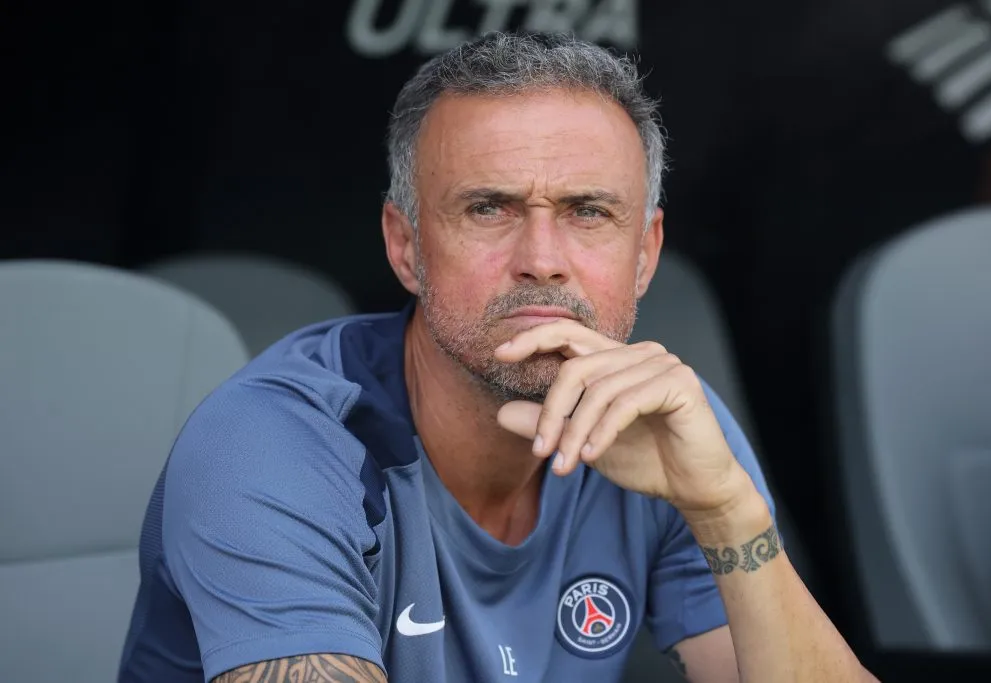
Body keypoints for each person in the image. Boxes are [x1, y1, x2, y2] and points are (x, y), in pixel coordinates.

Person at [118, 32, 877, 683]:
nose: (542, 260)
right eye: (489, 208)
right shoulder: (271, 444)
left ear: (645, 255)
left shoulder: (660, 421)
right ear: (405, 245)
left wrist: (723, 507)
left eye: (589, 212)